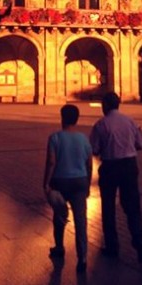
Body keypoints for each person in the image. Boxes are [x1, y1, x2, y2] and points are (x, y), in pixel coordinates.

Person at [89, 92, 142, 264]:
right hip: (130, 166)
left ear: (105, 105)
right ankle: (140, 243)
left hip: (110, 167)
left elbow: (95, 149)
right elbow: (140, 145)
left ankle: (112, 247)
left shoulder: (101, 124)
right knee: (133, 207)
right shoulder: (130, 121)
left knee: (108, 208)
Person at [43, 104, 93, 273]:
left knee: (59, 216)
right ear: (77, 119)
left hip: (60, 181)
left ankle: (59, 247)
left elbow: (51, 162)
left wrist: (46, 183)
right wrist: (87, 182)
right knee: (81, 220)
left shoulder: (55, 138)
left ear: (62, 117)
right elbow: (89, 163)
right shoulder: (84, 139)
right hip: (80, 181)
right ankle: (83, 257)